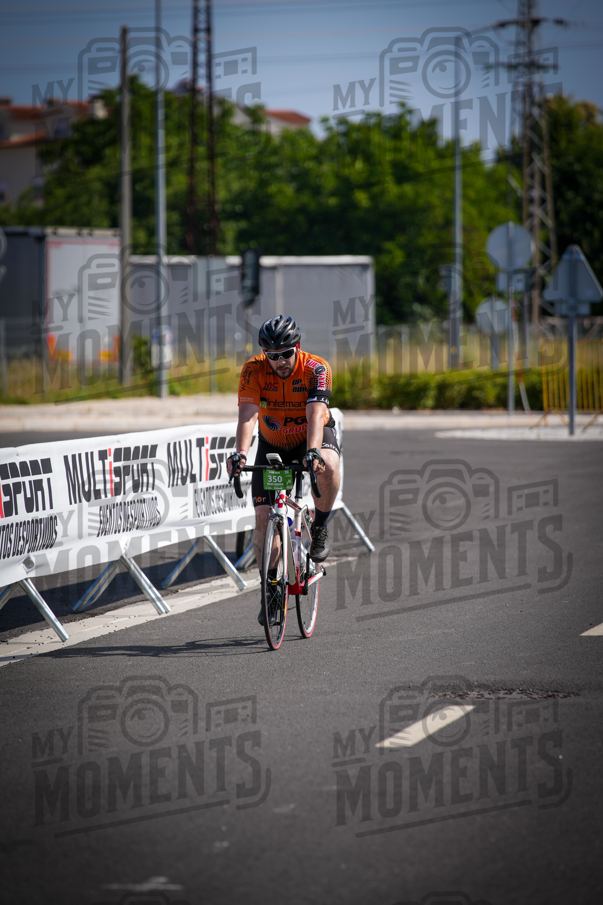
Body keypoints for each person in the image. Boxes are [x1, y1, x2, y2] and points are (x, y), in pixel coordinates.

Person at [227, 315, 341, 624]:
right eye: (272, 355)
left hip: (311, 436)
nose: (279, 361)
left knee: (327, 465)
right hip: (273, 444)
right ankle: (271, 588)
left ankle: (319, 526)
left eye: (286, 354)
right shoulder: (254, 369)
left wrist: (313, 451)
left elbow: (316, 414)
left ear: (298, 348)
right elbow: (248, 416)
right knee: (265, 519)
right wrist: (239, 453)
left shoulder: (316, 368)